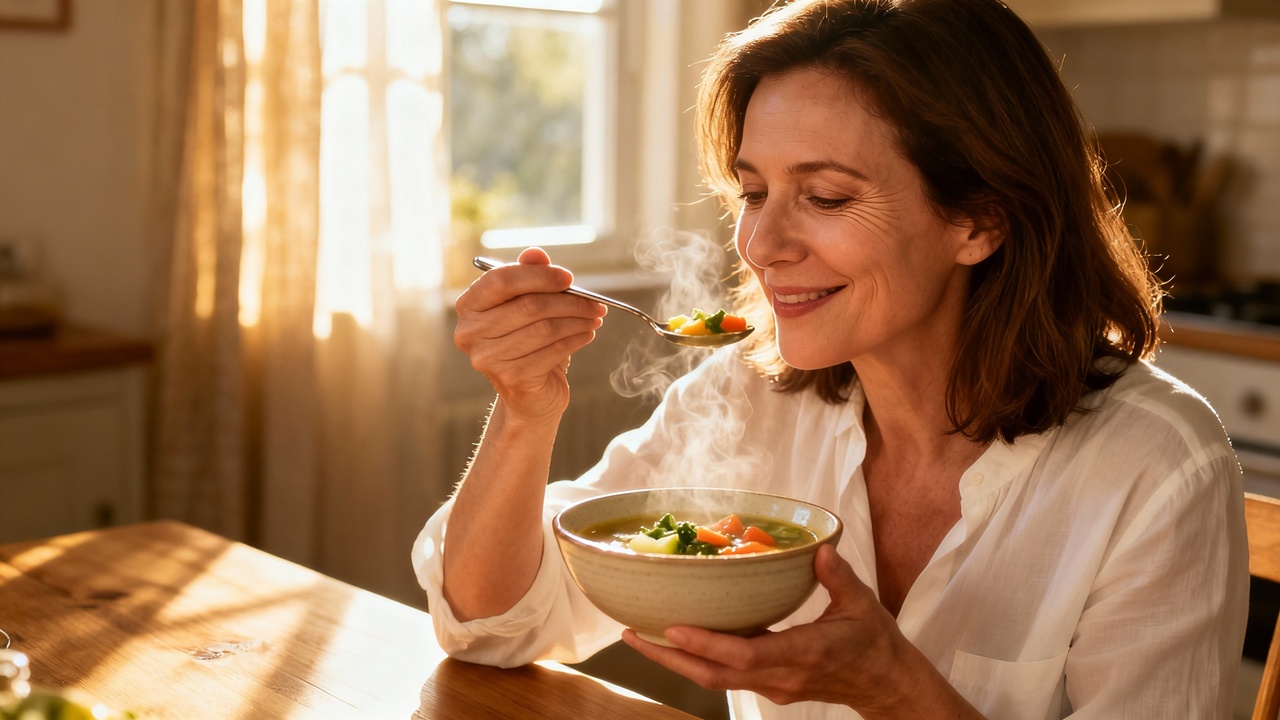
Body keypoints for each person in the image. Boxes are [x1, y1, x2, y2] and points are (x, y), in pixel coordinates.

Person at [413, 0, 1249, 717]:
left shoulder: (1156, 465)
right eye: (752, 192)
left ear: (979, 221)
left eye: (824, 197)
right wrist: (526, 411)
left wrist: (895, 689)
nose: (762, 244)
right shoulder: (748, 398)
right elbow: (496, 626)